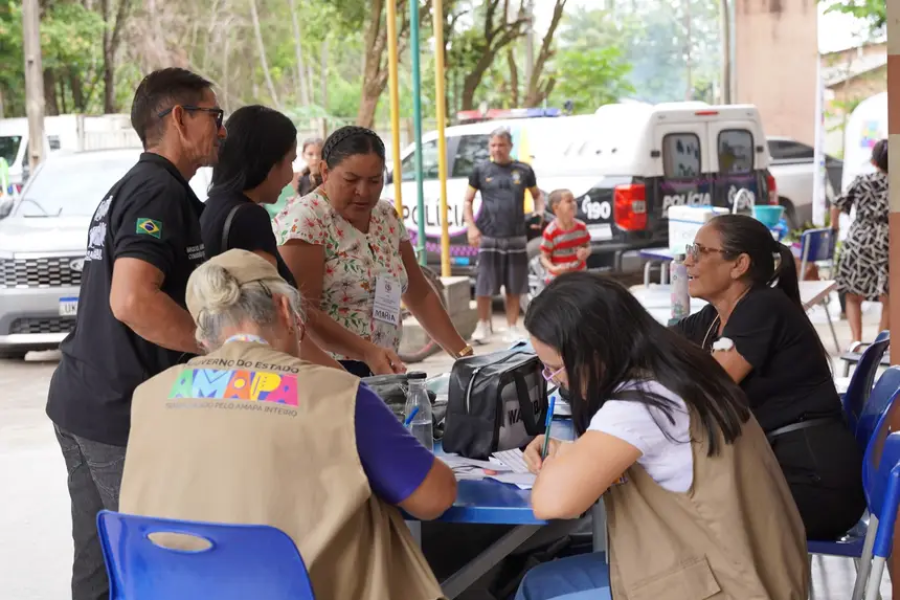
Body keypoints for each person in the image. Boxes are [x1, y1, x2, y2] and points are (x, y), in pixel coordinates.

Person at [119, 249, 456, 600]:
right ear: (285, 309)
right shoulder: (337, 395)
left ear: (205, 335)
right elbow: (433, 498)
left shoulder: (150, 396)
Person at [514, 272, 808, 600]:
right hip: (751, 567)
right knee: (539, 583)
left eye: (556, 368)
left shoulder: (641, 402)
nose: (557, 381)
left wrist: (554, 464)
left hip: (729, 585)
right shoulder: (679, 367)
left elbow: (552, 503)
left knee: (541, 591)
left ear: (593, 352)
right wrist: (573, 452)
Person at [45, 67, 225, 600]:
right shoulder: (155, 193)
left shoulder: (140, 186)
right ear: (179, 118)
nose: (220, 129)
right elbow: (131, 299)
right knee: (155, 563)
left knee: (102, 560)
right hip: (117, 410)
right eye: (214, 116)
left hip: (85, 398)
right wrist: (215, 344)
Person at [673, 214, 865, 540]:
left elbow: (708, 388)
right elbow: (652, 351)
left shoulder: (762, 306)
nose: (688, 260)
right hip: (773, 470)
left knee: (679, 514)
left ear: (739, 264)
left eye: (701, 252)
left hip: (813, 485)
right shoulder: (712, 318)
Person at [275, 126, 472, 378]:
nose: (363, 191)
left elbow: (419, 293)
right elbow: (303, 316)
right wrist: (366, 353)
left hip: (383, 364)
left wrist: (464, 356)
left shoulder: (385, 215)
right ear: (325, 171)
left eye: (374, 180)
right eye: (351, 180)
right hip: (330, 372)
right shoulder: (307, 220)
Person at [200, 105, 342, 371]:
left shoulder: (212, 207)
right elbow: (275, 322)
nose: (290, 175)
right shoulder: (249, 219)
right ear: (266, 162)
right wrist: (347, 384)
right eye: (288, 162)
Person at [464, 128, 544, 344]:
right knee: (484, 284)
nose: (496, 149)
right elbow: (467, 201)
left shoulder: (524, 170)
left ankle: (511, 327)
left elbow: (538, 196)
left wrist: (539, 212)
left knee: (514, 285)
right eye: (493, 145)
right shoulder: (480, 170)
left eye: (500, 145)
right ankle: (483, 326)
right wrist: (471, 227)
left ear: (509, 146)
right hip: (488, 234)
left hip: (517, 235)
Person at [831, 139, 890, 345]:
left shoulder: (861, 181)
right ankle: (880, 344)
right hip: (888, 241)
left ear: (874, 162)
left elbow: (837, 203)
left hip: (859, 240)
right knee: (889, 296)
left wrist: (834, 228)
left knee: (853, 294)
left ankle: (856, 341)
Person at [539, 188, 590, 283]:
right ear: (556, 207)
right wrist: (554, 269)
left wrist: (585, 252)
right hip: (559, 280)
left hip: (580, 277)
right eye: (569, 201)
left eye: (574, 200)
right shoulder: (551, 232)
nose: (574, 204)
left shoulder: (581, 227)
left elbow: (588, 246)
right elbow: (544, 257)